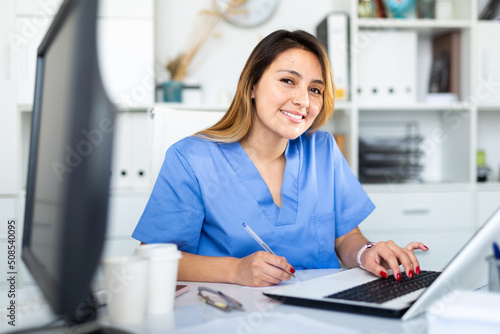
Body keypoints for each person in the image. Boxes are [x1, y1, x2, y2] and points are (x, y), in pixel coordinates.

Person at [132, 30, 428, 287]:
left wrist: (366, 254)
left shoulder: (322, 149)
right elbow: (153, 258)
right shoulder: (191, 159)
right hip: (230, 314)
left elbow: (345, 237)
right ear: (251, 86)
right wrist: (236, 270)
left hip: (323, 311)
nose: (304, 101)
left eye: (315, 89)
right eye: (288, 80)